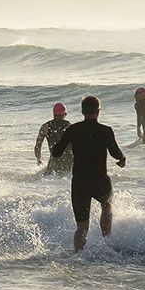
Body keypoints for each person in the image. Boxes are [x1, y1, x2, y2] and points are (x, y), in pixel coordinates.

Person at [51, 96, 127, 252]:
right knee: (107, 207)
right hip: (100, 180)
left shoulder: (72, 130)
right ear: (98, 112)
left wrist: (69, 143)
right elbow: (115, 152)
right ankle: (106, 242)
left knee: (82, 227)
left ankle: (78, 257)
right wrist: (122, 158)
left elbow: (56, 152)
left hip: (80, 182)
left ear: (82, 112)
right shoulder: (105, 131)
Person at [35, 102, 72, 175]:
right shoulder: (69, 126)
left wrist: (39, 159)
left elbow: (38, 146)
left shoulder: (45, 127)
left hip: (54, 162)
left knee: (46, 179)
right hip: (69, 162)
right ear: (65, 114)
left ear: (53, 114)